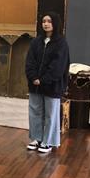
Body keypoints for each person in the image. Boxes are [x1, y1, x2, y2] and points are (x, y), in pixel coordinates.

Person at [24, 12, 70, 154]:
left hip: (52, 85)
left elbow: (58, 65)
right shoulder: (36, 42)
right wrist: (33, 77)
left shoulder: (61, 43)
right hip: (35, 85)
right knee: (35, 112)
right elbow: (30, 61)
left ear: (55, 23)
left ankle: (48, 141)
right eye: (44, 21)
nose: (46, 24)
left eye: (49, 21)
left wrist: (43, 79)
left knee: (51, 114)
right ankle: (36, 138)